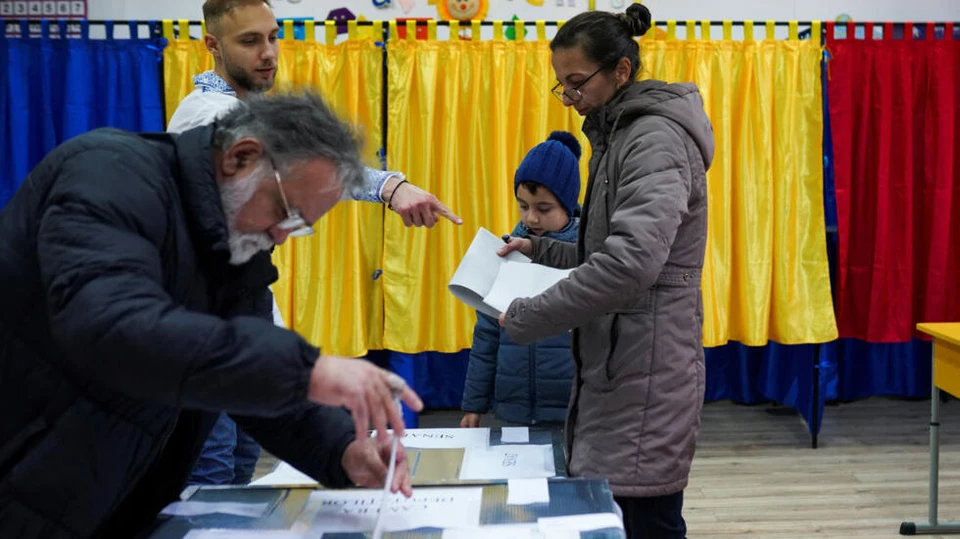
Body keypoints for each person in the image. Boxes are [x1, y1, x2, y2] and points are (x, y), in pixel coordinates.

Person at [0, 91, 423, 539]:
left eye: (299, 224)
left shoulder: (236, 249)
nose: (281, 234)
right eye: (284, 210)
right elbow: (111, 326)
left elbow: (257, 387)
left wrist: (342, 449)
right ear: (240, 157)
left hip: (103, 498)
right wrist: (307, 368)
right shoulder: (107, 174)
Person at [167, 0, 463, 486]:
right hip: (209, 335)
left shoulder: (239, 108)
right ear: (212, 46)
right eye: (250, 41)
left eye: (272, 37)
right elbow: (301, 162)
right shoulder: (209, 116)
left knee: (239, 469)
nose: (268, 53)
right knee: (212, 475)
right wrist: (389, 186)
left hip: (240, 320)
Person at [496, 4, 714, 538]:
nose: (568, 96)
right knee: (615, 516)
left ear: (620, 71)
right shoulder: (616, 135)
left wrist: (530, 315)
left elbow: (632, 263)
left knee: (644, 518)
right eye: (560, 85)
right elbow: (605, 253)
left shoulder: (653, 139)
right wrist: (539, 251)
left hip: (647, 366)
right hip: (622, 362)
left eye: (576, 82)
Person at [460, 131, 580, 429]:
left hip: (574, 411)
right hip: (515, 409)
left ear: (569, 204)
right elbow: (486, 337)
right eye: (523, 206)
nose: (531, 219)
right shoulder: (506, 254)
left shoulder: (587, 257)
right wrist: (474, 405)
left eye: (544, 209)